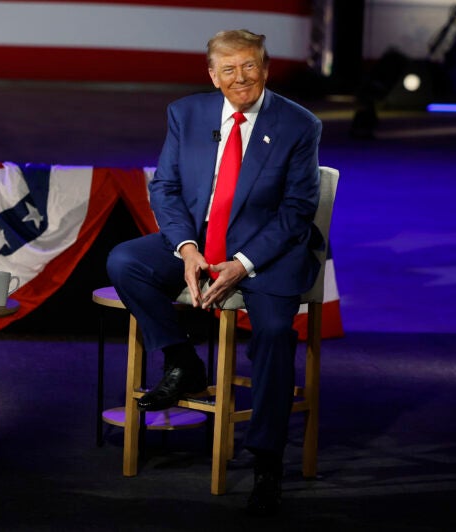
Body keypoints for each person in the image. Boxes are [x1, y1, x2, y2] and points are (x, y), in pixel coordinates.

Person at [106, 29, 322, 517]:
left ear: (265, 69)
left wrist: (241, 263)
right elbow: (166, 188)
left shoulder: (298, 124)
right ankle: (184, 362)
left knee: (272, 333)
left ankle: (267, 462)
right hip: (202, 245)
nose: (240, 77)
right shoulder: (187, 113)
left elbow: (297, 211)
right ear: (212, 75)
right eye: (229, 69)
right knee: (125, 261)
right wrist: (186, 249)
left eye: (250, 66)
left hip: (267, 254)